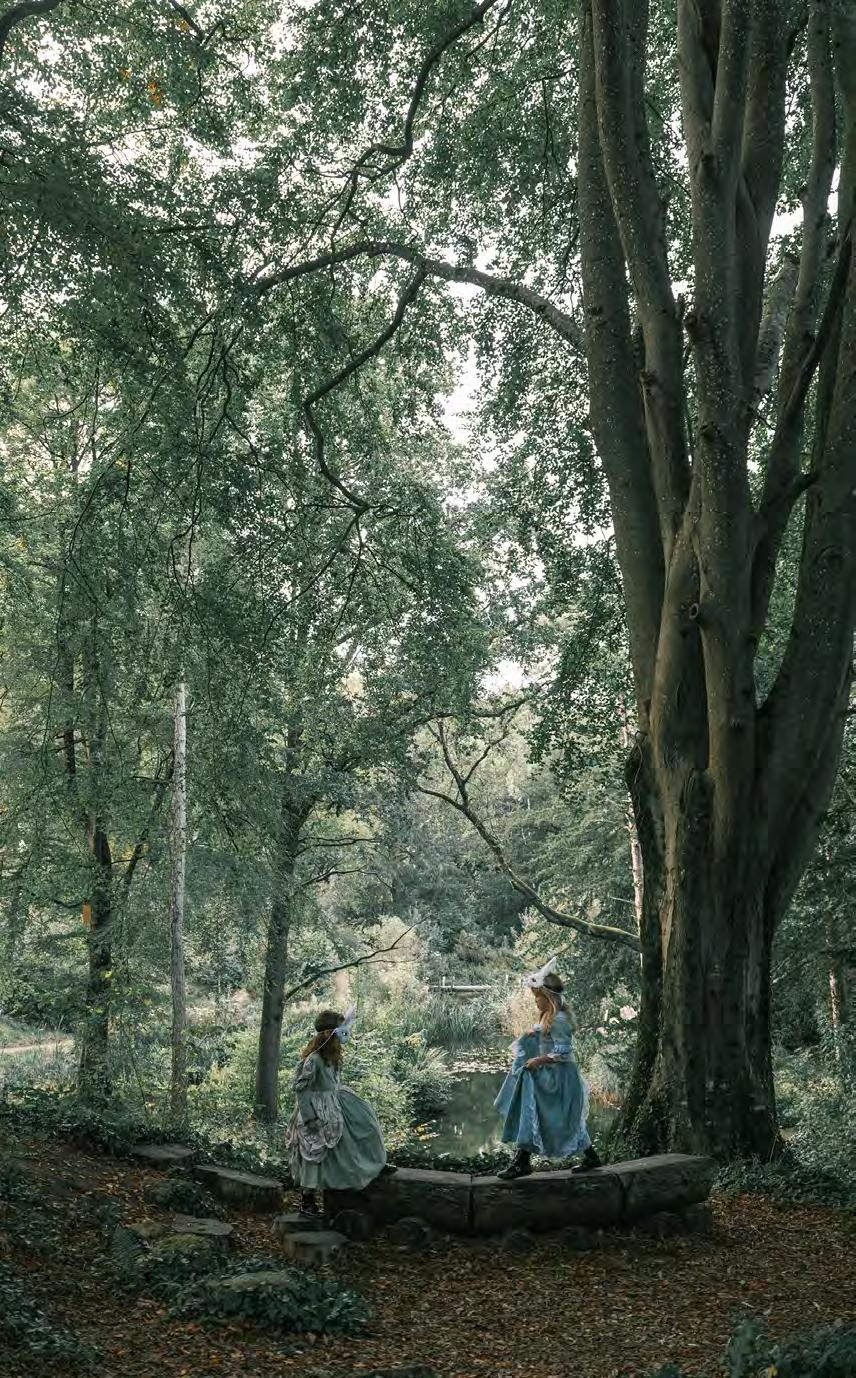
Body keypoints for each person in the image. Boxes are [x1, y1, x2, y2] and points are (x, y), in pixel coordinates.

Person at [494, 957, 601, 1181]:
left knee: (557, 1118)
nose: (535, 1002)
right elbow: (548, 1039)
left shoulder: (559, 1020)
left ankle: (522, 1162)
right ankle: (525, 1160)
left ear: (549, 998)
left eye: (538, 998)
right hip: (550, 1076)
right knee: (537, 1114)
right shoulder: (549, 1018)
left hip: (559, 1078)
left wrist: (538, 1060)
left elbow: (563, 1051)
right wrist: (534, 1034)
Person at [287, 1005, 393, 1216]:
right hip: (316, 1109)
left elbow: (333, 1083)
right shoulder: (314, 1060)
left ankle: (373, 1164)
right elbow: (302, 1090)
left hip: (333, 1103)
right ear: (329, 1034)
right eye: (341, 1032)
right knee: (315, 1153)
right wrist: (309, 1118)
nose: (345, 1037)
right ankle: (307, 1200)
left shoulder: (332, 1058)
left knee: (366, 1124)